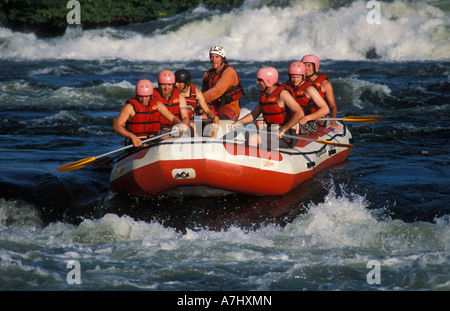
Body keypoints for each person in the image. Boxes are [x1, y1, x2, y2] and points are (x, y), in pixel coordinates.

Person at [230, 67, 304, 148]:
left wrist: (283, 129)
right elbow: (254, 114)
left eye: (260, 80)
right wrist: (237, 123)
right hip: (271, 132)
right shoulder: (264, 95)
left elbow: (300, 113)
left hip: (285, 136)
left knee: (253, 138)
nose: (257, 82)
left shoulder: (283, 94)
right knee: (247, 142)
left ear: (268, 81)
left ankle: (254, 158)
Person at [113, 79, 161, 147]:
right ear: (136, 95)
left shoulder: (157, 105)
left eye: (146, 97)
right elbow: (116, 126)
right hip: (136, 143)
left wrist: (180, 124)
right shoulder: (129, 107)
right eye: (141, 96)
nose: (143, 100)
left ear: (151, 95)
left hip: (153, 140)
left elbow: (172, 118)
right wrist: (132, 137)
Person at [285, 61, 329, 135]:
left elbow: (325, 109)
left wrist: (307, 118)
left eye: (298, 77)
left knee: (292, 126)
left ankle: (282, 142)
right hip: (292, 120)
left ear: (303, 76)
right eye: (293, 77)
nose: (295, 80)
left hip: (309, 123)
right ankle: (265, 143)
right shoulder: (287, 86)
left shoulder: (309, 89)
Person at [201, 45, 244, 120]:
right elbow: (203, 92)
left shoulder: (229, 72)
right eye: (212, 57)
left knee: (219, 119)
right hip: (213, 107)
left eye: (217, 57)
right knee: (201, 117)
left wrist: (199, 100)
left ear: (222, 58)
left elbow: (217, 91)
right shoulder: (207, 74)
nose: (214, 60)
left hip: (230, 108)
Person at [301, 54, 340, 129]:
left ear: (315, 67)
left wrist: (333, 119)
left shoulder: (325, 84)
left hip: (318, 118)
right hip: (302, 117)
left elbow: (333, 106)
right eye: (304, 65)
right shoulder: (299, 81)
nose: (306, 68)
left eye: (308, 65)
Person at [153, 70, 190, 135]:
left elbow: (185, 117)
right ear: (158, 85)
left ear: (173, 85)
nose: (166, 88)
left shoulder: (180, 97)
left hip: (175, 128)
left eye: (169, 85)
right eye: (163, 85)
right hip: (159, 130)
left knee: (192, 126)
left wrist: (181, 126)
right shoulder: (152, 97)